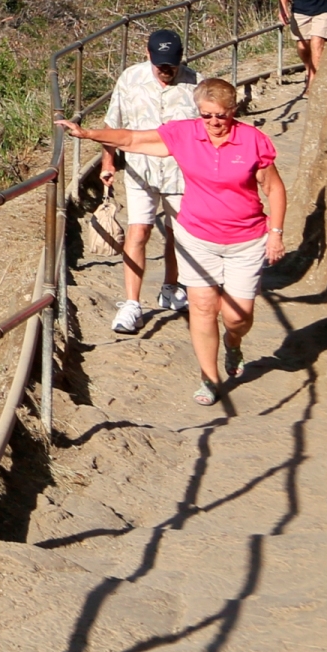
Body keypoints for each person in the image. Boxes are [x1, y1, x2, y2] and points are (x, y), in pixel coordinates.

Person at [61, 78, 287, 406]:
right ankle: (208, 378)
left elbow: (275, 188)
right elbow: (133, 138)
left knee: (238, 316)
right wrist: (89, 134)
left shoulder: (252, 141)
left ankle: (233, 342)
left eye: (219, 116)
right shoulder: (185, 133)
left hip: (246, 239)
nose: (212, 122)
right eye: (206, 115)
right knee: (203, 306)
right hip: (197, 236)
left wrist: (276, 234)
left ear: (232, 111)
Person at [99, 29, 198, 334]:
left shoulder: (197, 82)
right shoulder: (130, 79)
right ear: (148, 54)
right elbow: (112, 123)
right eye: (160, 65)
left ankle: (171, 288)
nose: (166, 71)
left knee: (177, 234)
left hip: (182, 173)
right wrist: (108, 161)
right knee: (138, 231)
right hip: (140, 169)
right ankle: (132, 303)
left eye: (171, 65)